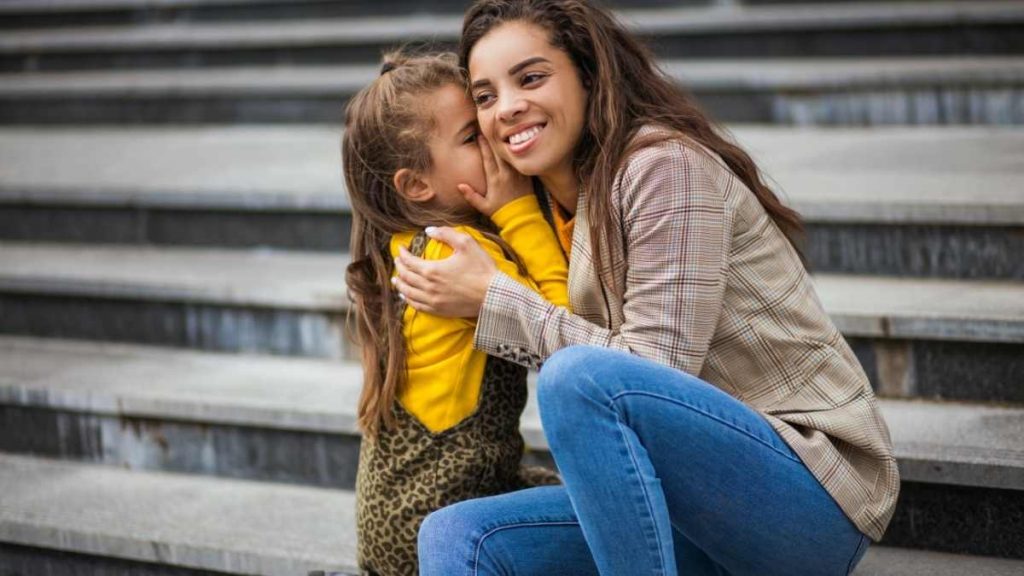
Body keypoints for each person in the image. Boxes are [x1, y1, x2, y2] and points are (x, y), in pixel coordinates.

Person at [391, 2, 900, 574]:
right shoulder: (544, 204)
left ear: (587, 74)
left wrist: (494, 300)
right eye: (485, 97)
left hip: (806, 500)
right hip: (685, 508)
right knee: (455, 535)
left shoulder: (663, 168)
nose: (507, 108)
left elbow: (653, 371)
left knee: (575, 379)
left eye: (531, 78)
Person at [342, 50, 566, 576]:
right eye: (471, 137)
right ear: (417, 185)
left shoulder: (406, 245)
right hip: (440, 527)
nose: (491, 138)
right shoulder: (454, 252)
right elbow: (562, 314)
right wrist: (517, 209)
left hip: (394, 527)